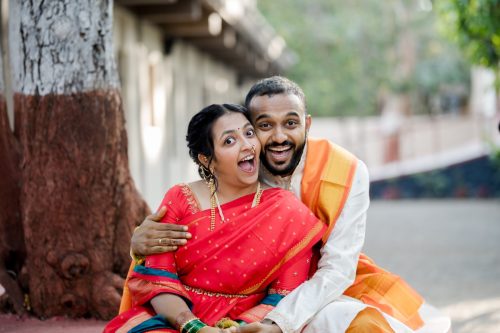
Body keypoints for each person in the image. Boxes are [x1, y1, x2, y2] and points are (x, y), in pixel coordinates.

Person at [129, 77, 451, 333]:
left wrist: (277, 322)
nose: (279, 137)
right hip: (239, 301)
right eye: (264, 126)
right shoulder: (245, 164)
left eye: (291, 123)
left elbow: (337, 269)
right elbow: (198, 224)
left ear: (307, 125)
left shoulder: (348, 172)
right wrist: (138, 243)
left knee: (358, 323)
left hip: (324, 287)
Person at [104, 103, 326, 333]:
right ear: (207, 160)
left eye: (249, 133)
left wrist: (237, 329)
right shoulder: (179, 198)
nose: (247, 144)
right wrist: (194, 327)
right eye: (229, 141)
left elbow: (285, 294)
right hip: (175, 318)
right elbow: (159, 280)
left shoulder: (287, 210)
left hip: (253, 322)